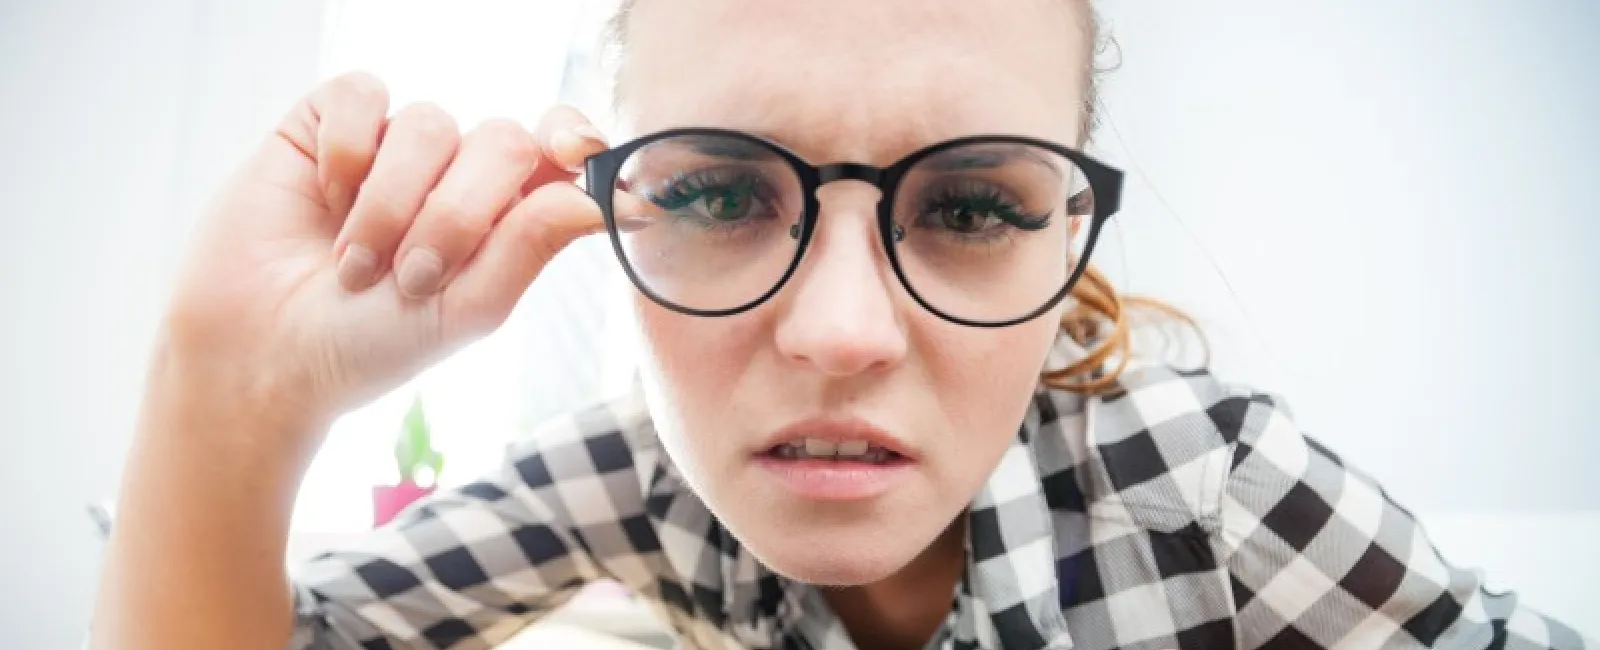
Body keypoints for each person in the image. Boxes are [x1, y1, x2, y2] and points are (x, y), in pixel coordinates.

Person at [90, 1, 1592, 649]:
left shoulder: (1209, 494)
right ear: (603, 208)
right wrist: (228, 394)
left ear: (1068, 248)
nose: (841, 331)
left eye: (976, 207)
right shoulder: (633, 481)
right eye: (724, 190)